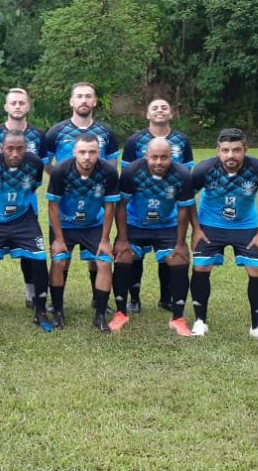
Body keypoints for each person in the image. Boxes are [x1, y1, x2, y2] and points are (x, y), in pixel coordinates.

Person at [190, 128, 258, 343]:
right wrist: (196, 229)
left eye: (236, 150)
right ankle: (200, 321)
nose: (230, 155)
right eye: (225, 150)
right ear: (218, 151)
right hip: (210, 225)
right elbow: (185, 199)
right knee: (201, 266)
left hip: (245, 226)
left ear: (245, 150)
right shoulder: (204, 169)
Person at [45, 82, 120, 311]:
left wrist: (95, 184)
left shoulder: (106, 132)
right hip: (65, 203)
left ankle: (98, 300)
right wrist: (66, 180)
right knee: (62, 256)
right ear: (71, 101)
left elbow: (112, 164)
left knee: (95, 257)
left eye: (88, 96)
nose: (84, 100)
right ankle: (57, 304)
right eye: (79, 96)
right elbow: (46, 162)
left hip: (94, 203)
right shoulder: (56, 131)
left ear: (95, 101)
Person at [0, 129, 53, 332]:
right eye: (10, 149)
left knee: (39, 259)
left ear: (25, 148)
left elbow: (34, 185)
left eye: (19, 149)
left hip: (23, 219)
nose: (15, 153)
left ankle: (40, 311)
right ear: (2, 148)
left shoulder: (35, 163)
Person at [114, 138, 196, 337]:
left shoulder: (182, 175)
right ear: (146, 156)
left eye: (164, 157)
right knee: (123, 257)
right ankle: (121, 313)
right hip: (135, 225)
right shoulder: (132, 172)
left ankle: (178, 318)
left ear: (171, 157)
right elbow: (121, 206)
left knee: (179, 260)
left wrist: (180, 243)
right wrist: (122, 239)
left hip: (167, 226)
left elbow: (184, 210)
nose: (159, 162)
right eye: (154, 157)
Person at [121, 98, 195, 313]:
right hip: (139, 209)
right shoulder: (135, 141)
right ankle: (134, 299)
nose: (160, 111)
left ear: (171, 113)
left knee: (168, 257)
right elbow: (127, 175)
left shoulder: (182, 140)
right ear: (147, 114)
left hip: (169, 207)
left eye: (164, 107)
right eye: (155, 107)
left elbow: (186, 174)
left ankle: (166, 298)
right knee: (134, 255)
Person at [0, 88, 49, 311]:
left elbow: (40, 171)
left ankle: (31, 295)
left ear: (28, 106)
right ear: (6, 107)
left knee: (29, 253)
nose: (18, 106)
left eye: (22, 102)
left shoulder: (39, 135)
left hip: (26, 205)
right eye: (13, 103)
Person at [46, 133, 120, 333]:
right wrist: (58, 240)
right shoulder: (60, 171)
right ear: (74, 153)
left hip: (93, 225)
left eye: (92, 152)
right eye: (82, 152)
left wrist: (105, 240)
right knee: (59, 261)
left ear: (99, 153)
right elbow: (52, 206)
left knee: (104, 262)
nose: (87, 157)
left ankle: (100, 315)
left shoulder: (108, 172)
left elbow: (110, 207)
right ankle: (58, 312)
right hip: (65, 225)